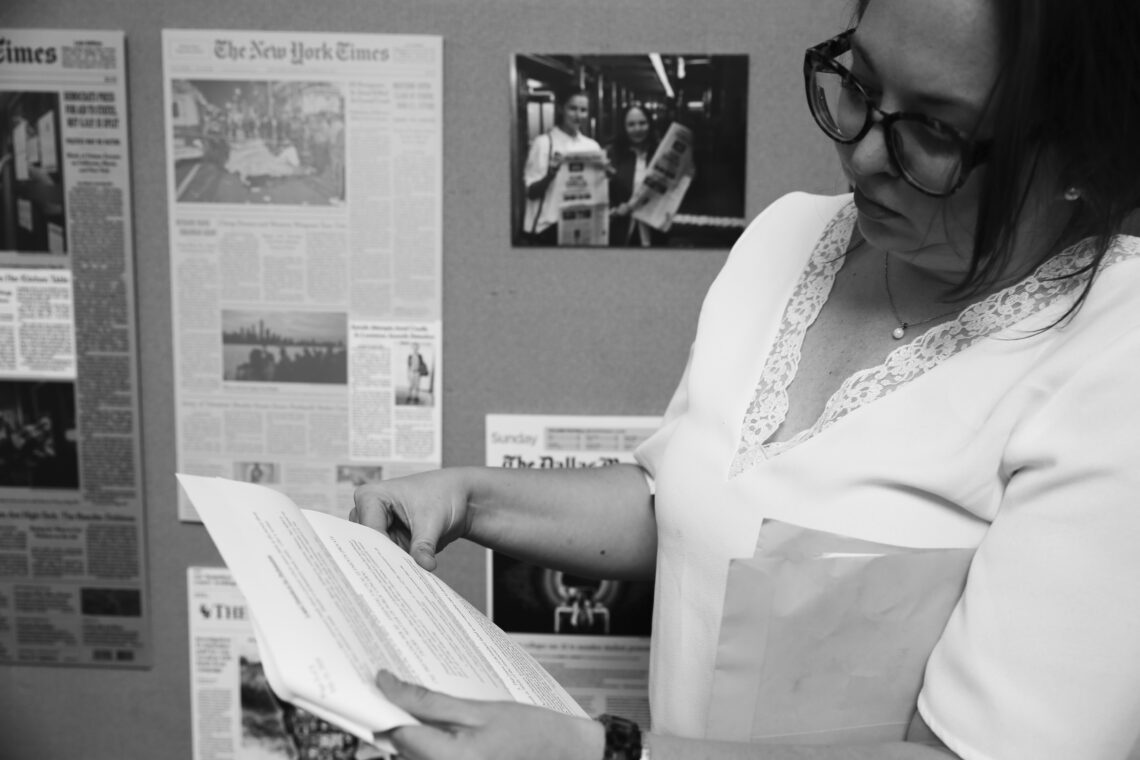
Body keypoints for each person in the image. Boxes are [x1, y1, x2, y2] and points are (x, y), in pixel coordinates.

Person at [353, 0, 1140, 758]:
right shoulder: (789, 236)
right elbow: (689, 506)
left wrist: (608, 754)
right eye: (860, 85)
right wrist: (469, 499)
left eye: (933, 129)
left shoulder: (1115, 355)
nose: (863, 153)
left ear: (1082, 152)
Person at [521, 88, 606, 245]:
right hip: (549, 227)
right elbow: (531, 192)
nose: (578, 115)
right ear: (561, 109)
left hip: (582, 224)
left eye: (583, 110)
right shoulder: (543, 143)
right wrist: (550, 175)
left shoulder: (592, 147)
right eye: (572, 108)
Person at [606, 104, 664, 247]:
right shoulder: (612, 154)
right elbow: (604, 194)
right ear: (623, 128)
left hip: (655, 229)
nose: (637, 129)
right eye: (631, 124)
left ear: (650, 124)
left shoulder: (661, 153)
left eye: (642, 123)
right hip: (622, 231)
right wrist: (614, 210)